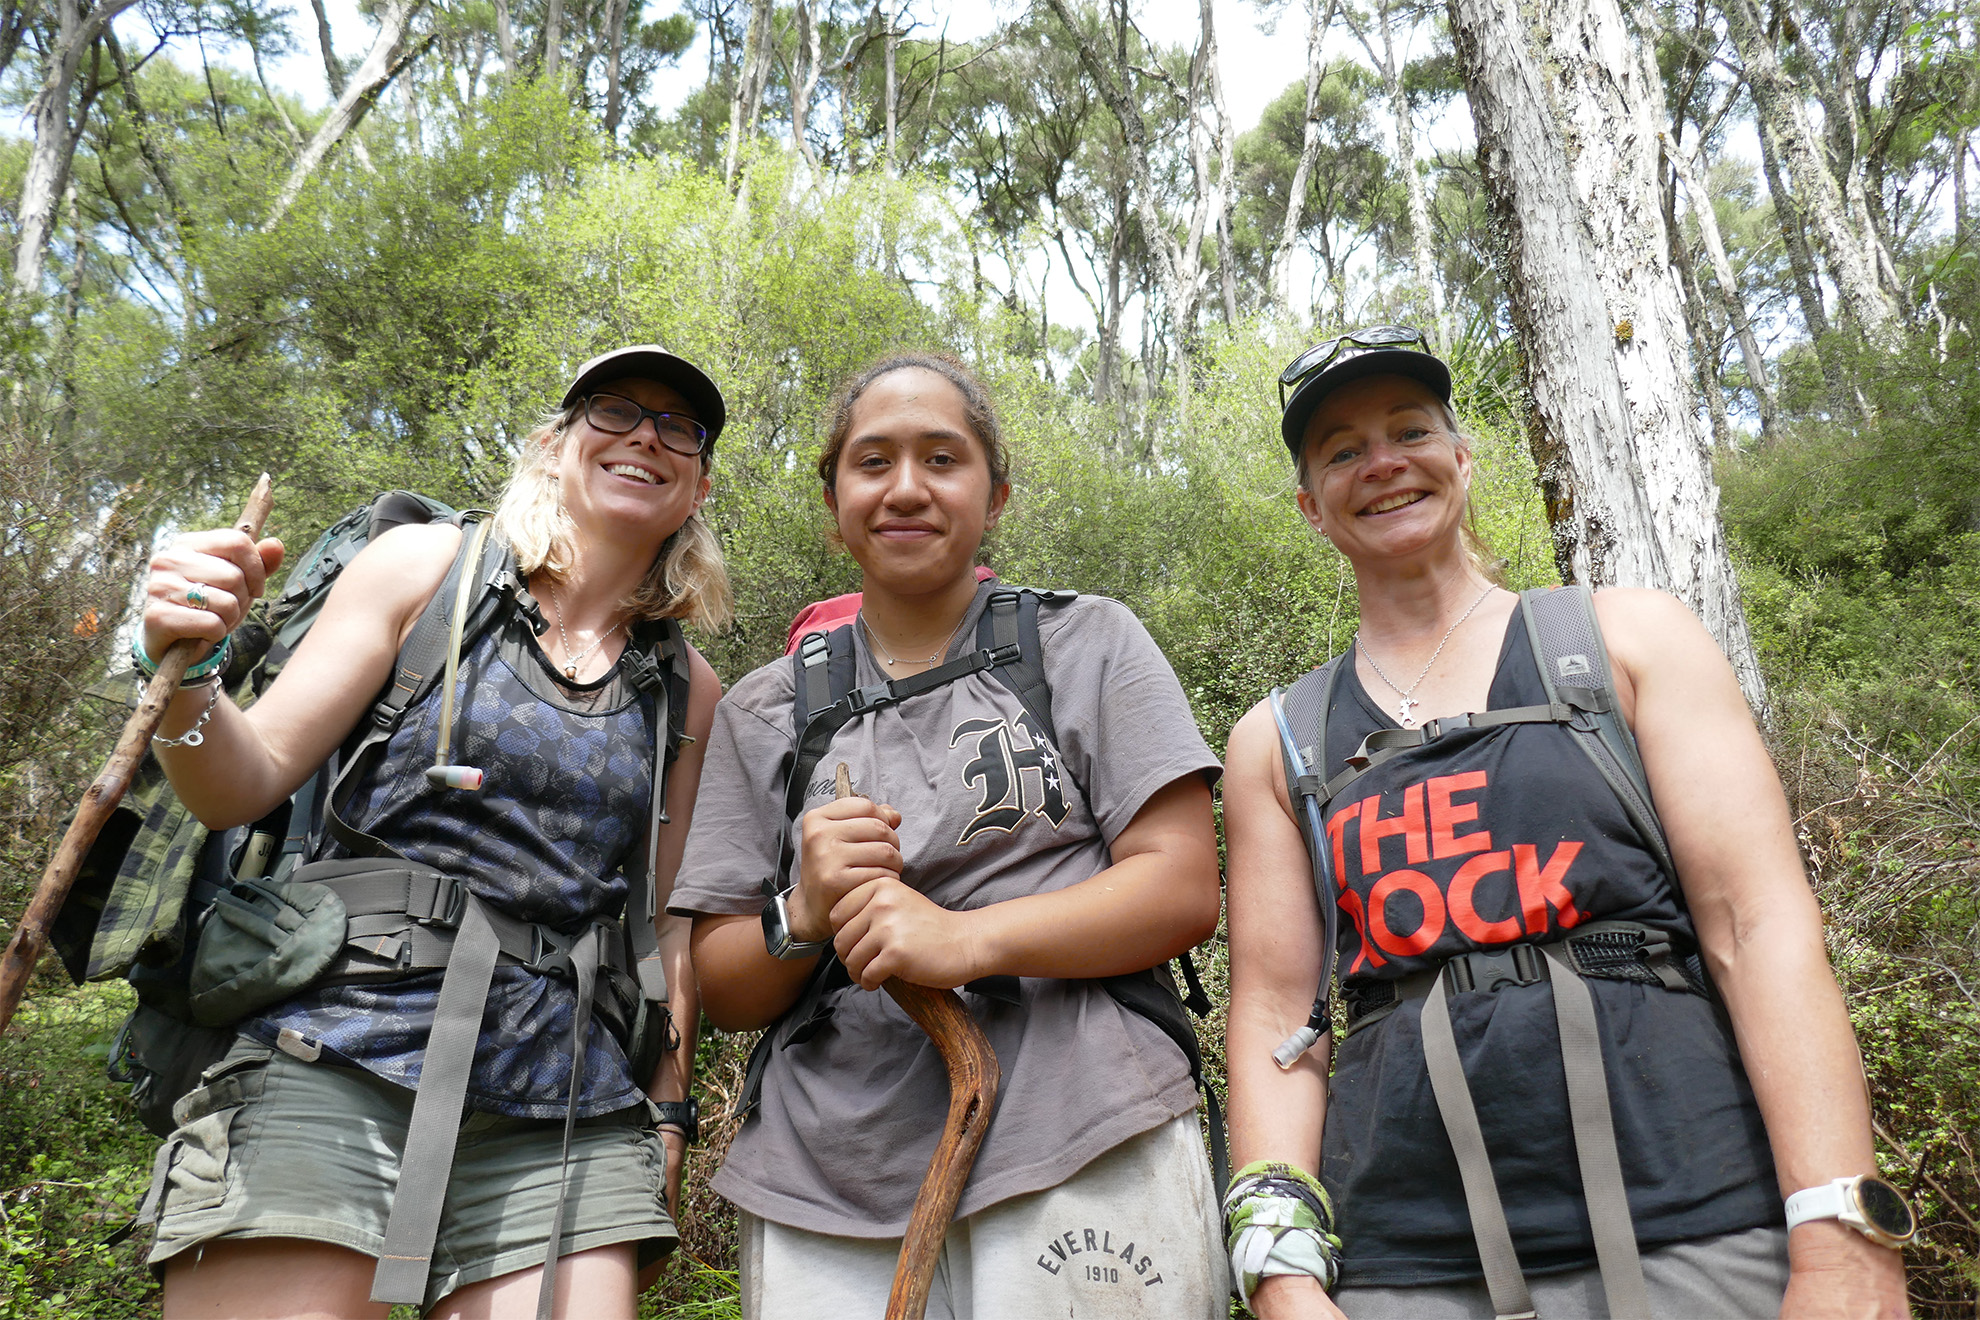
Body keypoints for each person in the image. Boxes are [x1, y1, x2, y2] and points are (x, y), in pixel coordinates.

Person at [1221, 326, 1914, 1319]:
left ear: (1462, 458)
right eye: (1342, 450)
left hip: (1698, 1227)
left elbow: (1756, 927)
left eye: (1410, 431)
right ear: (1310, 505)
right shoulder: (1281, 738)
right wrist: (1281, 1277)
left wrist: (1844, 1241)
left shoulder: (1629, 640)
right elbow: (1274, 1022)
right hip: (1408, 1269)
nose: (1382, 463)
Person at [137, 345, 729, 1319]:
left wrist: (667, 1113)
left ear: (698, 484)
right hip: (335, 1046)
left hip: (563, 1096)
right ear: (555, 445)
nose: (646, 437)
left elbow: (661, 927)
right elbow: (243, 778)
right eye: (614, 411)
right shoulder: (425, 568)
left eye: (679, 427)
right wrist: (187, 675)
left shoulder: (684, 687)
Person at [670, 350, 1228, 1319]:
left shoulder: (1087, 642)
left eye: (942, 458)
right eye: (873, 462)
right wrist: (802, 912)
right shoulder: (765, 710)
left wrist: (965, 939)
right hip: (827, 1176)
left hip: (1088, 1123)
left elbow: (1181, 887)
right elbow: (724, 984)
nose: (906, 488)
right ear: (835, 505)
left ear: (995, 494)